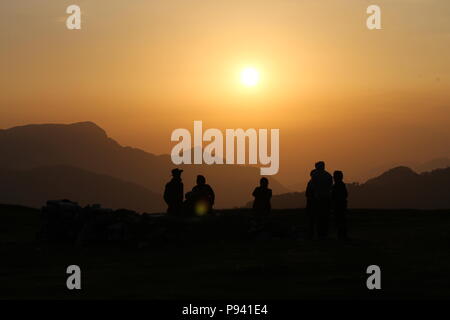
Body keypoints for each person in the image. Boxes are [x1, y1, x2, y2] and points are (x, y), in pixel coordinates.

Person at [310, 161, 333, 239]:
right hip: (326, 198)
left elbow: (313, 187)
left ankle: (319, 234)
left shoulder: (315, 175)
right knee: (325, 217)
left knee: (318, 217)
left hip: (318, 199)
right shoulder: (328, 175)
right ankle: (325, 233)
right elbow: (330, 187)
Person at [332, 170, 348, 240]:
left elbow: (333, 196)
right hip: (342, 204)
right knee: (342, 220)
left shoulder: (335, 186)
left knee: (339, 220)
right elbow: (346, 195)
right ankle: (342, 235)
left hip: (337, 205)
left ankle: (340, 235)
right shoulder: (342, 185)